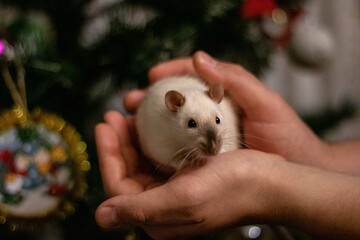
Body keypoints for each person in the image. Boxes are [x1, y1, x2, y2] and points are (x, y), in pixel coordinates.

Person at [94, 51, 360, 240]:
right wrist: (319, 158)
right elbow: (155, 147)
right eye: (191, 125)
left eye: (217, 120)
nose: (213, 143)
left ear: (217, 100)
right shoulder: (161, 118)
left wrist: (270, 187)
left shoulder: (220, 111)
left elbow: (222, 133)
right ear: (174, 106)